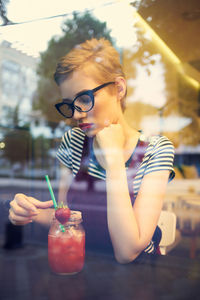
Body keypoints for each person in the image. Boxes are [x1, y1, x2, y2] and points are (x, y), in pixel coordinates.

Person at [9, 38, 175, 264]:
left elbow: (128, 251)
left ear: (119, 88)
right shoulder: (74, 141)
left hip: (139, 278)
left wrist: (115, 160)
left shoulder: (156, 150)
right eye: (70, 104)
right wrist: (29, 212)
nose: (77, 114)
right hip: (85, 264)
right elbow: (66, 220)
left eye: (85, 98)